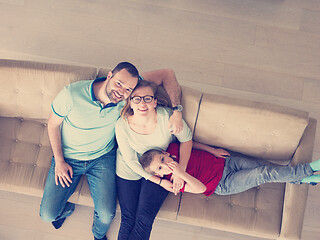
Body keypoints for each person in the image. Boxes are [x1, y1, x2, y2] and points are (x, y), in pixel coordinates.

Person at [39, 62, 183, 240]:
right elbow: (53, 124)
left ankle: (98, 236)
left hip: (102, 158)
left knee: (107, 215)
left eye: (128, 90)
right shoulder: (71, 94)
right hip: (68, 158)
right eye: (118, 84)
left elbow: (168, 72)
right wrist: (60, 160)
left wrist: (177, 110)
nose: (121, 91)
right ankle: (66, 209)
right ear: (109, 76)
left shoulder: (127, 97)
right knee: (47, 215)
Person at [115, 80, 193, 240]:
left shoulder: (168, 119)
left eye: (147, 98)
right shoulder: (121, 125)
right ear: (130, 102)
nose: (142, 103)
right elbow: (130, 161)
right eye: (136, 98)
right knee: (128, 218)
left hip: (159, 167)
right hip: (130, 168)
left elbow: (186, 139)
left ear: (155, 101)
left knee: (144, 219)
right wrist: (159, 182)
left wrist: (180, 171)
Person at [139, 142, 320, 196]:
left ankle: (304, 179)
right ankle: (311, 167)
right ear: (158, 174)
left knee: (267, 168)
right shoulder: (175, 182)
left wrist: (213, 150)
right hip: (223, 184)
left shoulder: (173, 148)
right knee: (263, 174)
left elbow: (192, 142)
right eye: (161, 168)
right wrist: (180, 173)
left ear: (165, 152)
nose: (165, 165)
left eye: (162, 159)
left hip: (226, 163)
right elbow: (201, 189)